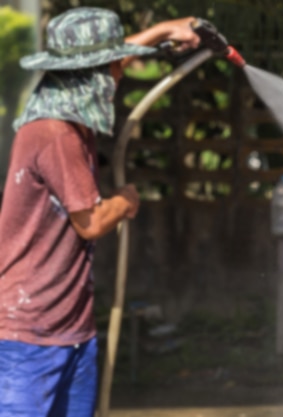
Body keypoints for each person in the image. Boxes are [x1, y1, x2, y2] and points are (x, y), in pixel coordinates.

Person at [0, 7, 200, 416]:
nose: (121, 73)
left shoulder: (67, 109)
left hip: (70, 327)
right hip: (30, 334)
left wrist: (166, 29)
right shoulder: (56, 133)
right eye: (114, 66)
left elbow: (118, 56)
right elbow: (90, 222)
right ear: (90, 73)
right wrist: (125, 200)